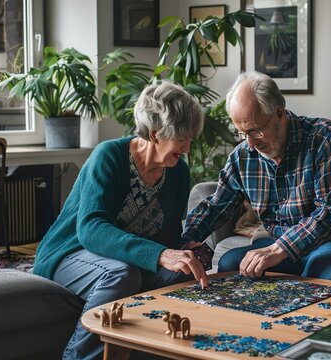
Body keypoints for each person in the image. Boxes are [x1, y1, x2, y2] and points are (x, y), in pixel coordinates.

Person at [33, 81, 209, 360]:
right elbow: (90, 229)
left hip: (123, 260)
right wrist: (161, 254)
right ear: (155, 133)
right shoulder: (110, 156)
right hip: (70, 253)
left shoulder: (178, 173)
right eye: (182, 138)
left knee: (183, 271)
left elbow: (167, 235)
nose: (187, 147)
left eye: (190, 138)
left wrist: (184, 247)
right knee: (121, 274)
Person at [182, 71, 331, 283]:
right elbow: (217, 206)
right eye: (241, 133)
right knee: (230, 264)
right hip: (283, 246)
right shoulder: (242, 156)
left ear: (280, 114)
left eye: (255, 131)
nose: (250, 143)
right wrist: (186, 242)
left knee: (323, 273)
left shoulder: (325, 137)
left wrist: (279, 249)